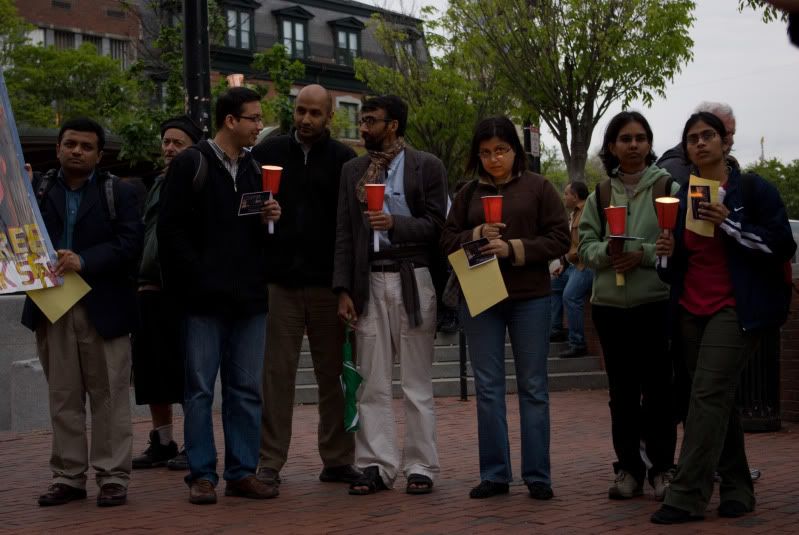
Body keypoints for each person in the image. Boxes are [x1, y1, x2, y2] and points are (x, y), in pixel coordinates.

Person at [651, 112, 796, 524]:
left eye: (708, 135)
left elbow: (782, 245)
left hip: (737, 308)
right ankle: (737, 487)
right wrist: (664, 249)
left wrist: (728, 222)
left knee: (707, 394)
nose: (700, 143)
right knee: (720, 397)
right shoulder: (680, 200)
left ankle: (687, 494)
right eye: (692, 138)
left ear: (724, 142)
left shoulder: (752, 189)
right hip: (690, 309)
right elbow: (669, 269)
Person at [157, 87, 282, 505]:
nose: (259, 125)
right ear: (231, 120)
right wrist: (200, 280)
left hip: (250, 301)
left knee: (246, 388)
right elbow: (170, 233)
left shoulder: (256, 167)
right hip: (203, 302)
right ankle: (202, 474)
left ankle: (242, 472)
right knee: (199, 390)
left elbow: (261, 238)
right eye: (253, 118)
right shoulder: (192, 164)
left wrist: (271, 219)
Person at [441, 116, 569, 500]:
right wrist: (476, 235)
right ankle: (495, 474)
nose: (493, 159)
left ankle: (538, 476)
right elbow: (446, 240)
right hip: (481, 295)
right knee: (489, 387)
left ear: (516, 150)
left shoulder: (539, 187)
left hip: (530, 296)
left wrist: (513, 249)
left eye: (500, 150)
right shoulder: (466, 194)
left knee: (533, 386)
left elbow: (560, 238)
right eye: (485, 153)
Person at [23, 118, 143, 507]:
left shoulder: (118, 192)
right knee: (63, 396)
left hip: (103, 307)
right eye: (70, 144)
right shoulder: (36, 189)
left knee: (109, 396)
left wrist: (84, 260)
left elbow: (130, 245)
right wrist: (13, 194)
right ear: (58, 148)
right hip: (51, 306)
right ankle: (68, 477)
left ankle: (112, 477)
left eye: (86, 146)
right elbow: (16, 235)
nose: (77, 151)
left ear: (98, 154)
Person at [333, 95, 447, 495]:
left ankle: (421, 465)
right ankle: (374, 465)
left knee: (417, 381)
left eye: (370, 120)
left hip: (413, 276)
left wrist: (394, 222)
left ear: (393, 124)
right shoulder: (353, 170)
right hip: (368, 280)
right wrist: (344, 289)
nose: (362, 127)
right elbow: (345, 234)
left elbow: (437, 225)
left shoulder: (426, 166)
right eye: (362, 120)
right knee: (371, 381)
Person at [250, 85, 359, 486]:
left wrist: (346, 286)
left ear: (330, 116)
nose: (306, 120)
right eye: (300, 111)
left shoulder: (345, 160)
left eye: (315, 113)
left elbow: (350, 228)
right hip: (280, 283)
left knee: (333, 376)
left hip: (328, 285)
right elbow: (244, 210)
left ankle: (337, 459)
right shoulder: (267, 154)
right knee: (277, 376)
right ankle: (270, 461)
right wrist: (260, 218)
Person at [578, 111, 679, 501]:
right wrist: (610, 250)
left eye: (640, 138)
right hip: (609, 307)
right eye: (625, 138)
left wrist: (643, 255)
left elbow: (678, 247)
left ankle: (662, 469)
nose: (633, 145)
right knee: (621, 392)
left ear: (650, 143)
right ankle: (629, 471)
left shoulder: (668, 187)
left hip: (655, 302)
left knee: (659, 390)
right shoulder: (600, 195)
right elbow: (584, 248)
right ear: (612, 147)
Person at [132, 115, 202, 471]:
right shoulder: (156, 184)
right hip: (147, 289)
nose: (170, 148)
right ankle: (162, 441)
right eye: (166, 142)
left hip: (181, 291)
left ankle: (195, 444)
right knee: (151, 372)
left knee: (186, 373)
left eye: (178, 142)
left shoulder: (197, 181)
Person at [549, 181, 594, 358]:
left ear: (575, 197)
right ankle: (557, 329)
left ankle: (578, 343)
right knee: (555, 284)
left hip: (587, 265)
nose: (564, 196)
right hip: (574, 265)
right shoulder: (573, 214)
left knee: (570, 295)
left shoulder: (587, 213)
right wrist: (563, 263)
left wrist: (567, 259)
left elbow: (583, 246)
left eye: (566, 193)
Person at [657, 102, 737, 187]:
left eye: (732, 133)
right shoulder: (674, 168)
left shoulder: (741, 178)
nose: (731, 141)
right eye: (726, 133)